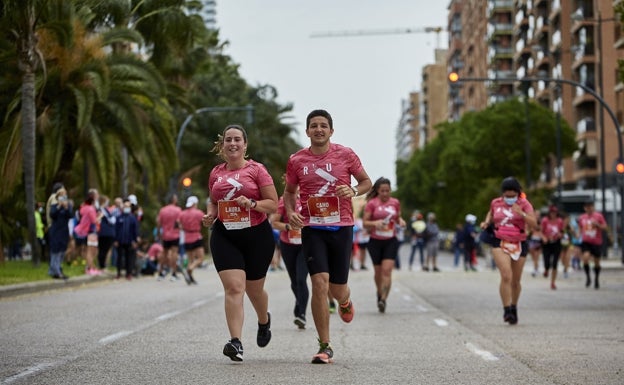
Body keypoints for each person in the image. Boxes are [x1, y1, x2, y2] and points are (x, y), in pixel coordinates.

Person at [283, 109, 372, 364]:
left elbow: (367, 182)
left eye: (323, 125)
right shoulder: (297, 160)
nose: (318, 129)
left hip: (342, 227)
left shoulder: (345, 154)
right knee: (319, 283)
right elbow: (289, 192)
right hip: (312, 229)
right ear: (307, 131)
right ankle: (325, 345)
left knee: (337, 288)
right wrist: (291, 213)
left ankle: (344, 301)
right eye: (314, 125)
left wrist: (353, 190)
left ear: (331, 131)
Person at [201, 124, 278, 362]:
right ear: (223, 145)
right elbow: (213, 201)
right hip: (225, 234)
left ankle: (264, 320)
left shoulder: (257, 170)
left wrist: (253, 204)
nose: (232, 143)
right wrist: (210, 215)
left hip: (256, 235)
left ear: (245, 145)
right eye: (228, 140)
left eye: (237, 139)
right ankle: (236, 342)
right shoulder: (216, 173)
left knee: (254, 290)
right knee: (235, 288)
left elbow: (273, 204)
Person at [480, 177, 537, 325]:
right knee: (506, 275)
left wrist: (522, 213)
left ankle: (514, 307)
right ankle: (506, 310)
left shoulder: (524, 203)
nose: (510, 199)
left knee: (516, 281)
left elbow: (534, 223)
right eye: (507, 196)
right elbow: (491, 214)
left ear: (518, 193)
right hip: (500, 240)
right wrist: (486, 222)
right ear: (503, 194)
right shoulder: (496, 202)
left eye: (513, 196)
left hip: (519, 241)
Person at [362, 177, 406, 313]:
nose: (385, 193)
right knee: (378, 272)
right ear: (377, 191)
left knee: (387, 270)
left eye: (387, 190)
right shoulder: (372, 204)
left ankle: (383, 299)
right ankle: (379, 292)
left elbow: (397, 218)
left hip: (390, 240)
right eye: (382, 191)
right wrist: (375, 223)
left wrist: (401, 221)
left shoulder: (395, 203)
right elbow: (365, 223)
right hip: (375, 241)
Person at [270, 187, 309, 329]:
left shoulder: (310, 198)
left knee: (301, 279)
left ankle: (302, 315)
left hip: (306, 245)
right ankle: (299, 302)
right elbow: (274, 222)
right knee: (294, 281)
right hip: (288, 244)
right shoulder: (283, 201)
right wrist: (288, 226)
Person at [577, 199, 607, 289]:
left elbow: (605, 227)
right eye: (587, 207)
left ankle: (597, 279)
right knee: (585, 258)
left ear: (593, 207)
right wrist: (578, 235)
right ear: (585, 208)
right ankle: (588, 277)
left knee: (596, 262)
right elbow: (580, 228)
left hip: (596, 242)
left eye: (590, 206)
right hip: (586, 242)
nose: (589, 208)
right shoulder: (582, 217)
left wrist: (597, 224)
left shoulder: (598, 216)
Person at [73, 188, 102, 275]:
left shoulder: (84, 207)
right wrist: (100, 216)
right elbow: (94, 220)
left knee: (88, 250)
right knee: (91, 251)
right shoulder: (90, 209)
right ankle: (90, 268)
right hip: (89, 231)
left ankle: (90, 267)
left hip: (82, 230)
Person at [178, 196, 205, 285]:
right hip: (196, 236)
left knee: (190, 259)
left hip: (186, 238)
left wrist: (183, 226)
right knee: (200, 258)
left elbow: (178, 223)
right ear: (194, 204)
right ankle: (190, 269)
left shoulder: (182, 213)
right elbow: (205, 220)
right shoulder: (198, 213)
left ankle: (190, 277)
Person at [48, 188, 73, 279]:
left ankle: (56, 268)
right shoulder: (55, 205)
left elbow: (70, 215)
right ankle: (55, 271)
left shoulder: (68, 205)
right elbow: (52, 215)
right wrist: (59, 206)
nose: (63, 197)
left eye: (64, 195)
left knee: (62, 250)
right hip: (56, 230)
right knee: (55, 250)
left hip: (64, 230)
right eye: (61, 195)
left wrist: (66, 207)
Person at [157, 194, 182, 281]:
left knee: (164, 253)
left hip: (165, 235)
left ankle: (160, 272)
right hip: (175, 235)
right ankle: (173, 273)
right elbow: (179, 222)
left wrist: (159, 233)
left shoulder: (162, 210)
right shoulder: (178, 210)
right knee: (174, 253)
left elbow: (159, 223)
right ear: (174, 200)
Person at [540, 205, 565, 290]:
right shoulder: (545, 220)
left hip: (556, 243)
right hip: (547, 243)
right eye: (551, 213)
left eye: (554, 213)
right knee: (547, 261)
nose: (553, 214)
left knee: (555, 263)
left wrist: (560, 235)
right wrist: (544, 238)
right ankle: (546, 269)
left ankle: (553, 282)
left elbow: (562, 231)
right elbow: (541, 231)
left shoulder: (560, 221)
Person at [114, 199, 139, 280]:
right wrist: (116, 240)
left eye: (128, 207)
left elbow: (135, 230)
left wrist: (134, 240)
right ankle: (118, 273)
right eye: (125, 206)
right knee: (119, 257)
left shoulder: (132, 218)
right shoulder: (119, 218)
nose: (126, 208)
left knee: (129, 258)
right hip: (120, 241)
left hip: (129, 241)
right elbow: (116, 229)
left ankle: (129, 273)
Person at [97, 195, 116, 270]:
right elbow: (110, 220)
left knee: (105, 249)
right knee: (102, 249)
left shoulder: (106, 210)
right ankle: (101, 265)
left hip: (108, 233)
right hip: (104, 233)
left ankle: (103, 264)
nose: (107, 203)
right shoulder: (100, 210)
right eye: (106, 201)